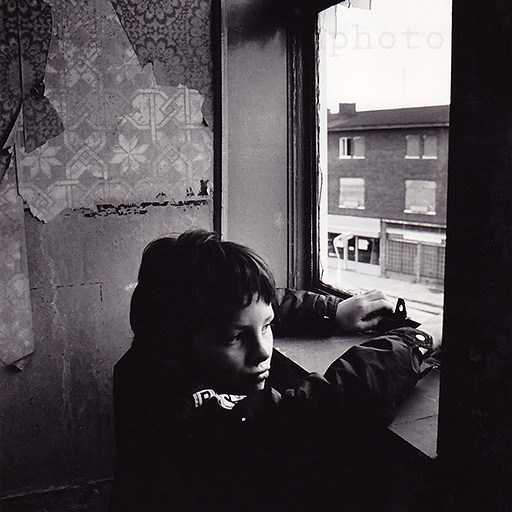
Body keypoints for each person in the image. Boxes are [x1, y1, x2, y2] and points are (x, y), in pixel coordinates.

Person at [110, 229, 442, 512]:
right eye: (236, 338)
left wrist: (332, 310)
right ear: (173, 344)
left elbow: (254, 303)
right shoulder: (203, 417)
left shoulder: (150, 351)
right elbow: (333, 401)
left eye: (266, 326)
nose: (263, 351)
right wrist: (419, 339)